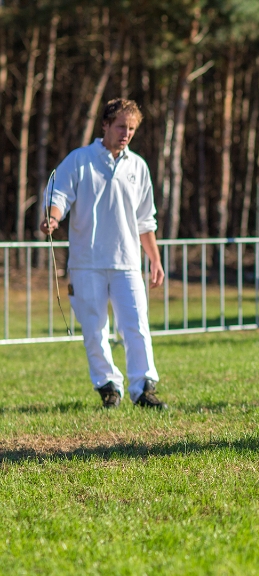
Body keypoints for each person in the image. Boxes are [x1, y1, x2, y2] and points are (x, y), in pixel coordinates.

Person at [40, 98, 168, 409]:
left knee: (136, 324)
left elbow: (145, 219)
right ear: (106, 125)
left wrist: (155, 258)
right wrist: (53, 217)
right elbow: (59, 194)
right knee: (95, 328)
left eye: (132, 128)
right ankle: (108, 387)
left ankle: (144, 388)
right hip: (87, 263)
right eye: (121, 126)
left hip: (127, 262)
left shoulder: (138, 166)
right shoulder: (79, 160)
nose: (126, 133)